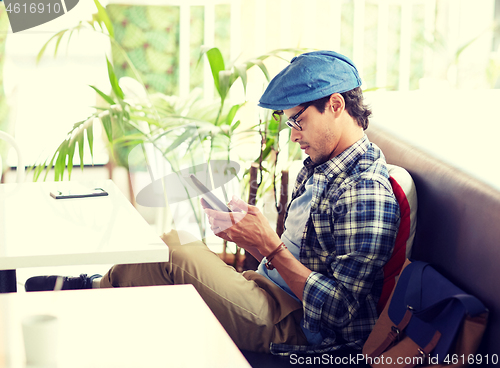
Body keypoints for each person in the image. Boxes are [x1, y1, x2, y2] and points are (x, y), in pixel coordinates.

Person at [26, 50, 400, 355]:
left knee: (175, 252)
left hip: (304, 329)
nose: (294, 136)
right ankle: (90, 292)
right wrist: (252, 233)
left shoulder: (364, 190)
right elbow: (299, 250)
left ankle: (85, 295)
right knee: (171, 246)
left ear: (336, 104)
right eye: (289, 125)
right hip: (269, 291)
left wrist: (268, 247)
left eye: (298, 122)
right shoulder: (322, 166)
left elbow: (339, 310)